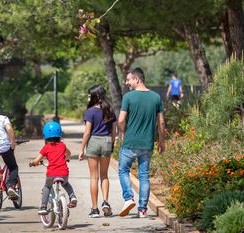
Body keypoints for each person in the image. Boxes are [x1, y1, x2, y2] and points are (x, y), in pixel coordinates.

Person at [117, 68, 165, 218]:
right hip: (147, 144)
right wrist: (161, 141)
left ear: (137, 79)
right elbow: (161, 123)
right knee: (144, 176)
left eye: (129, 80)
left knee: (123, 170)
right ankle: (142, 209)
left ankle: (129, 198)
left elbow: (120, 120)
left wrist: (123, 132)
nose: (127, 83)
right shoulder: (156, 97)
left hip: (130, 142)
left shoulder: (128, 97)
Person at [78, 84, 116, 218]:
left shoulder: (90, 111)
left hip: (94, 141)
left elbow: (87, 132)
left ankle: (94, 209)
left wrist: (82, 149)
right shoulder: (110, 110)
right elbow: (113, 130)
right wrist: (112, 144)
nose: (88, 97)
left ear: (96, 96)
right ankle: (105, 202)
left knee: (94, 177)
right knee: (104, 175)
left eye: (90, 95)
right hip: (106, 141)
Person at [29, 121, 78, 215]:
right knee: (66, 184)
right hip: (64, 173)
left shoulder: (46, 148)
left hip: (51, 174)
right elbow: (68, 154)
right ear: (59, 134)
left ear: (45, 136)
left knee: (47, 186)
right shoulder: (63, 145)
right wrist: (66, 158)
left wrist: (33, 163)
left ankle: (43, 206)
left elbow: (37, 160)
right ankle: (72, 196)